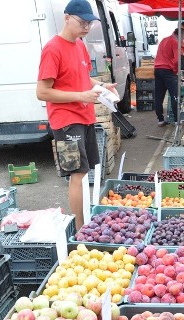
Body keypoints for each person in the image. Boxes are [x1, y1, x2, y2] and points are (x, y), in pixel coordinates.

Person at [36, 0, 119, 231]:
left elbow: (83, 79)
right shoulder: (53, 49)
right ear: (66, 18)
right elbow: (42, 92)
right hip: (65, 121)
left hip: (84, 117)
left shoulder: (80, 45)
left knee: (86, 172)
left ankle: (85, 220)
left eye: (89, 23)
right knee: (77, 173)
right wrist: (81, 96)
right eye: (82, 22)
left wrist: (102, 85)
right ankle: (81, 227)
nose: (86, 27)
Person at [154, 27, 184, 127]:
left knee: (159, 95)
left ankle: (160, 119)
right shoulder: (175, 42)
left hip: (157, 69)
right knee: (174, 94)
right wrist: (176, 71)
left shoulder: (164, 40)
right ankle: (177, 120)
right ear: (180, 35)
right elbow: (177, 60)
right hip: (167, 70)